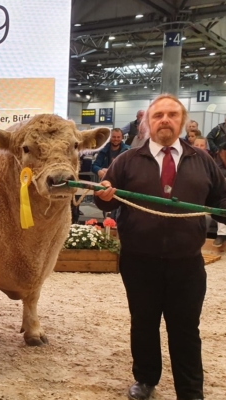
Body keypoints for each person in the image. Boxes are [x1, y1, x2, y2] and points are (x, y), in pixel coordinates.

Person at [94, 94, 226, 400]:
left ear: (181, 121)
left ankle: (190, 390)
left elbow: (219, 199)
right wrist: (104, 195)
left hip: (187, 263)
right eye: (158, 115)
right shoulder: (126, 160)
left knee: (185, 329)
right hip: (140, 262)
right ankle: (146, 378)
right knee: (143, 323)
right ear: (147, 122)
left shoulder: (202, 160)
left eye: (171, 114)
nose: (165, 120)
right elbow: (110, 200)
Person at [213, 142, 226, 247]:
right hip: (222, 190)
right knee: (222, 203)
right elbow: (218, 172)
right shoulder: (217, 160)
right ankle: (221, 234)